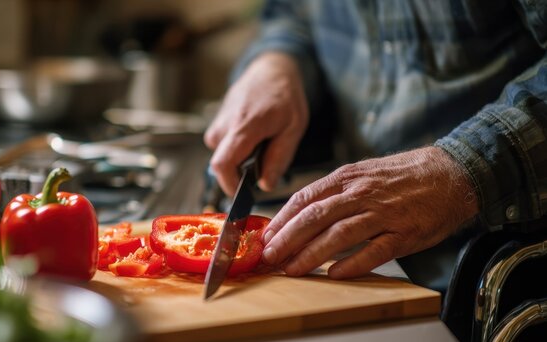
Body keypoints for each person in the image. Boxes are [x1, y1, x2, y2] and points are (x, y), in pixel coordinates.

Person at [204, 1, 547, 281]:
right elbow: (292, 14)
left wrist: (463, 167)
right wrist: (276, 62)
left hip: (504, 271)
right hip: (368, 265)